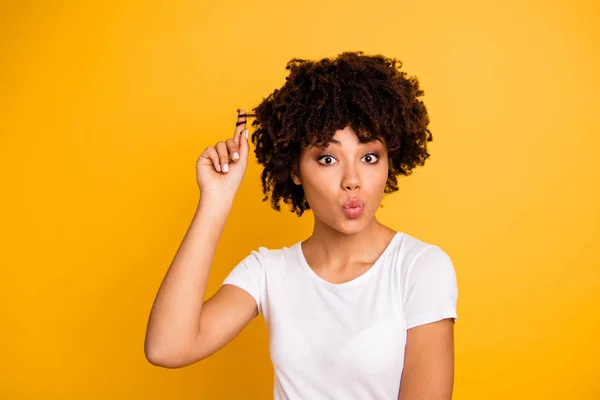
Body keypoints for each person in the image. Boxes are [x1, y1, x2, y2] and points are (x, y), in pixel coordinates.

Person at [144, 51, 459, 400]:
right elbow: (167, 348)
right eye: (328, 158)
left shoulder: (419, 268)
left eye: (369, 157)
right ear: (295, 169)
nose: (352, 180)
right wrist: (216, 200)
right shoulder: (269, 271)